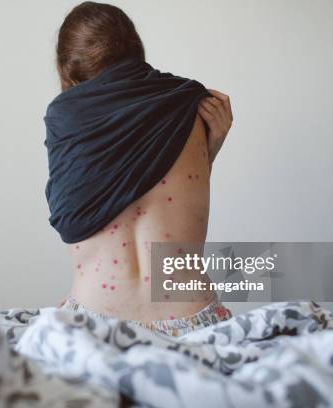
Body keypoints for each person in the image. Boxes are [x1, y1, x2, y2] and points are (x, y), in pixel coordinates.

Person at [45, 2, 233, 336]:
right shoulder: (188, 100)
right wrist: (210, 148)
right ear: (135, 51)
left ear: (71, 73)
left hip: (94, 320)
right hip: (192, 323)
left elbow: (71, 222)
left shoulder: (66, 117)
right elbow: (172, 204)